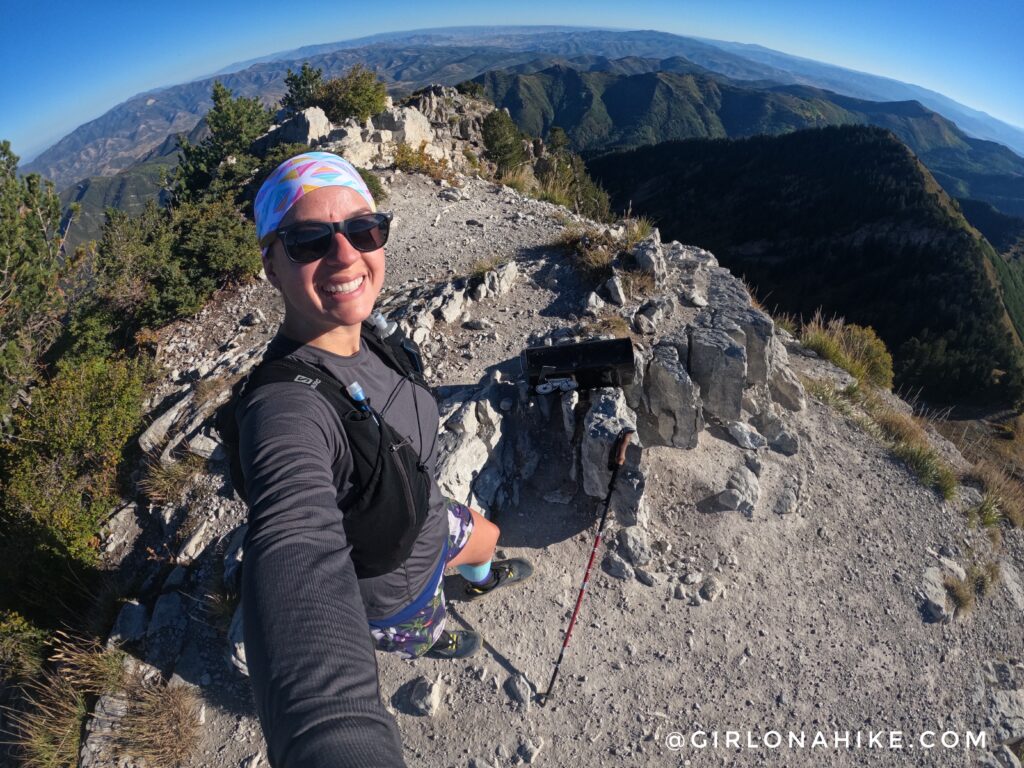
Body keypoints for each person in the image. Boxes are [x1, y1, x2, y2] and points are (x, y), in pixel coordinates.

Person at [237, 151, 532, 768]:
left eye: (363, 229)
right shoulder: (285, 410)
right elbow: (295, 547)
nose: (345, 255)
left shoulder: (369, 335)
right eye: (309, 240)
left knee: (490, 537)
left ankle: (478, 576)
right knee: (429, 623)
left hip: (428, 514)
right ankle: (435, 637)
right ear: (270, 260)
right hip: (391, 584)